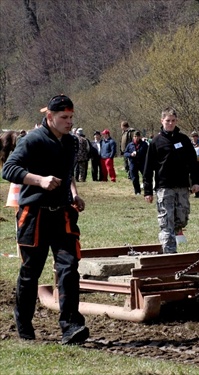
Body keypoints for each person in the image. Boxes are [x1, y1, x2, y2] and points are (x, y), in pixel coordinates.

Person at [1, 94, 89, 345]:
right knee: (31, 272)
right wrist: (39, 180)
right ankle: (24, 325)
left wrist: (74, 193)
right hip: (35, 215)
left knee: (69, 268)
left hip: (62, 213)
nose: (69, 122)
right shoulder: (33, 140)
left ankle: (71, 326)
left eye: (71, 117)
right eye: (64, 118)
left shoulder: (71, 142)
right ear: (50, 117)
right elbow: (9, 169)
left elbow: (65, 172)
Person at [143, 107, 199, 254]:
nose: (170, 123)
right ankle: (169, 253)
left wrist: (196, 181)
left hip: (182, 186)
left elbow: (193, 163)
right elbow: (148, 168)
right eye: (167, 121)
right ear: (162, 121)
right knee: (166, 221)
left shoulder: (184, 140)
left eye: (173, 121)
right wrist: (148, 191)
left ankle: (174, 236)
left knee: (181, 219)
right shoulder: (156, 142)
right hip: (164, 187)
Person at [124, 131, 148, 195]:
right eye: (135, 136)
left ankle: (147, 190)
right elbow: (125, 153)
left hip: (142, 163)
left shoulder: (144, 144)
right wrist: (130, 154)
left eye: (137, 136)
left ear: (140, 137)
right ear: (133, 137)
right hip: (133, 163)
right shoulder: (130, 145)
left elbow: (148, 153)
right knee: (134, 178)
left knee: (145, 177)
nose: (136, 138)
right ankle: (137, 191)